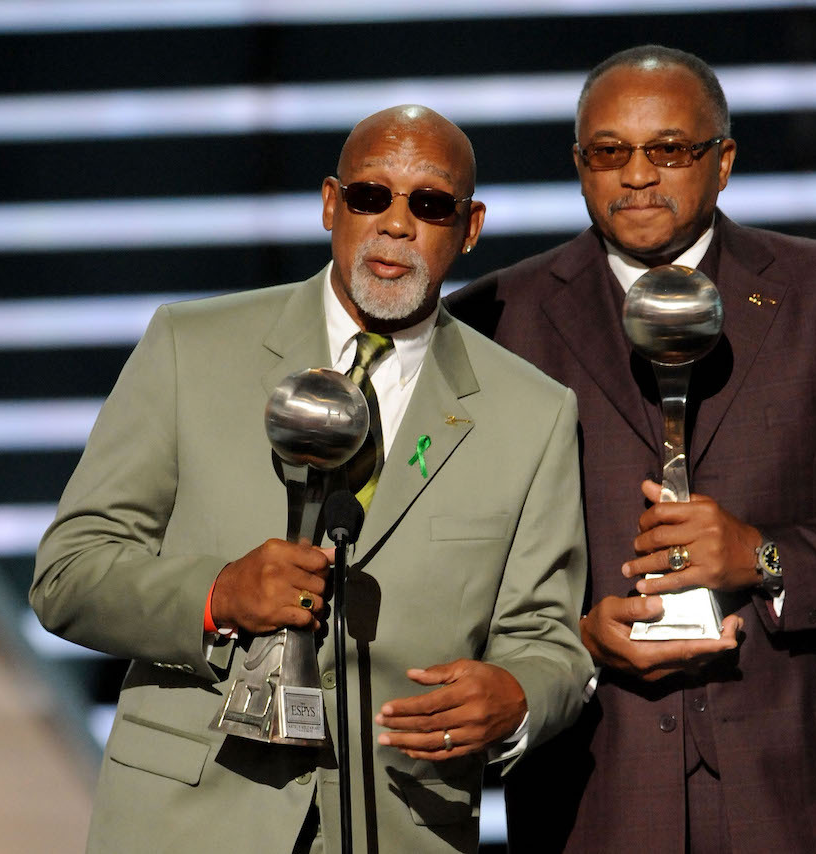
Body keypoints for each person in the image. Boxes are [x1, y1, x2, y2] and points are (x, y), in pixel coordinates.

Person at [447, 45, 816, 853]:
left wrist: (766, 557)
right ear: (578, 165)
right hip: (602, 790)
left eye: (668, 149)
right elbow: (453, 562)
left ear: (724, 160)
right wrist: (571, 643)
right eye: (610, 152)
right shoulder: (494, 323)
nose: (638, 174)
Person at [31, 105, 592, 854]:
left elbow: (546, 638)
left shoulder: (532, 413)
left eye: (428, 204)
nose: (396, 224)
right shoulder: (190, 349)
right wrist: (216, 594)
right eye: (370, 196)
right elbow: (67, 575)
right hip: (185, 823)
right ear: (331, 203)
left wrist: (520, 696)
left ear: (470, 226)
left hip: (399, 821)